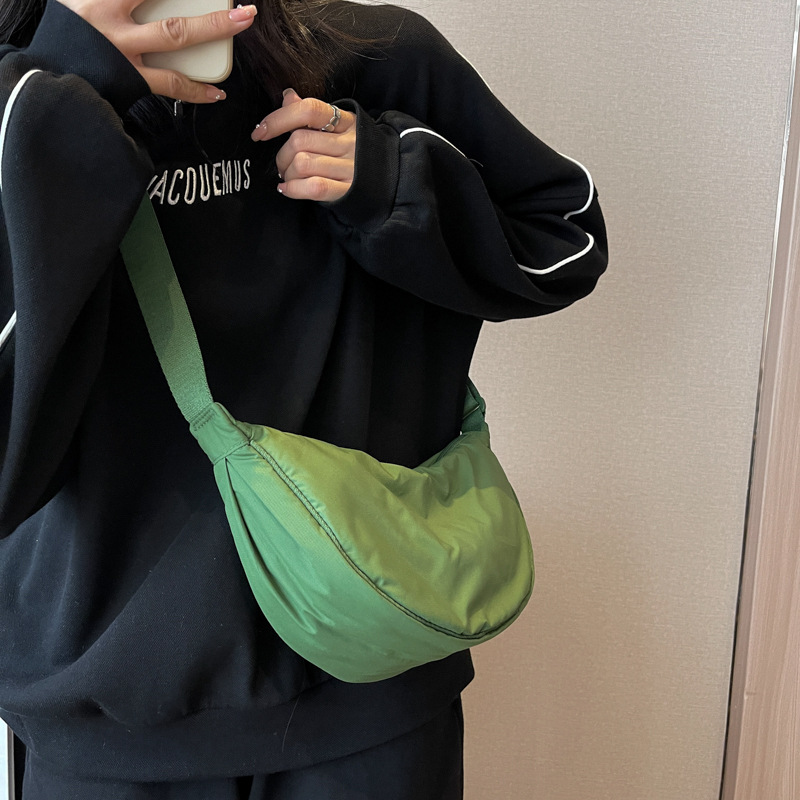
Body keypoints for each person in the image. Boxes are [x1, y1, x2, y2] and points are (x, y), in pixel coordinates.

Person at [0, 0, 608, 797]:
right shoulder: (21, 97)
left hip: (368, 693)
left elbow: (565, 236)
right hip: (103, 733)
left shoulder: (368, 53)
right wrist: (54, 104)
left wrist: (392, 181)